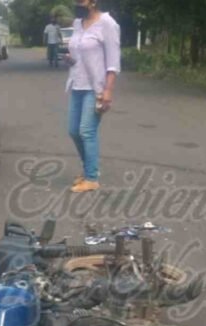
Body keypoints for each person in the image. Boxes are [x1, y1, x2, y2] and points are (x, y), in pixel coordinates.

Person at [64, 0, 120, 193]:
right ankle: (88, 168)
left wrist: (108, 91)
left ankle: (91, 178)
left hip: (95, 87)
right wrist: (71, 59)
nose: (77, 3)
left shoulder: (107, 24)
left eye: (81, 0)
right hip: (77, 84)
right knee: (73, 130)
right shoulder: (77, 23)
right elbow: (79, 52)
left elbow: (113, 61)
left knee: (87, 131)